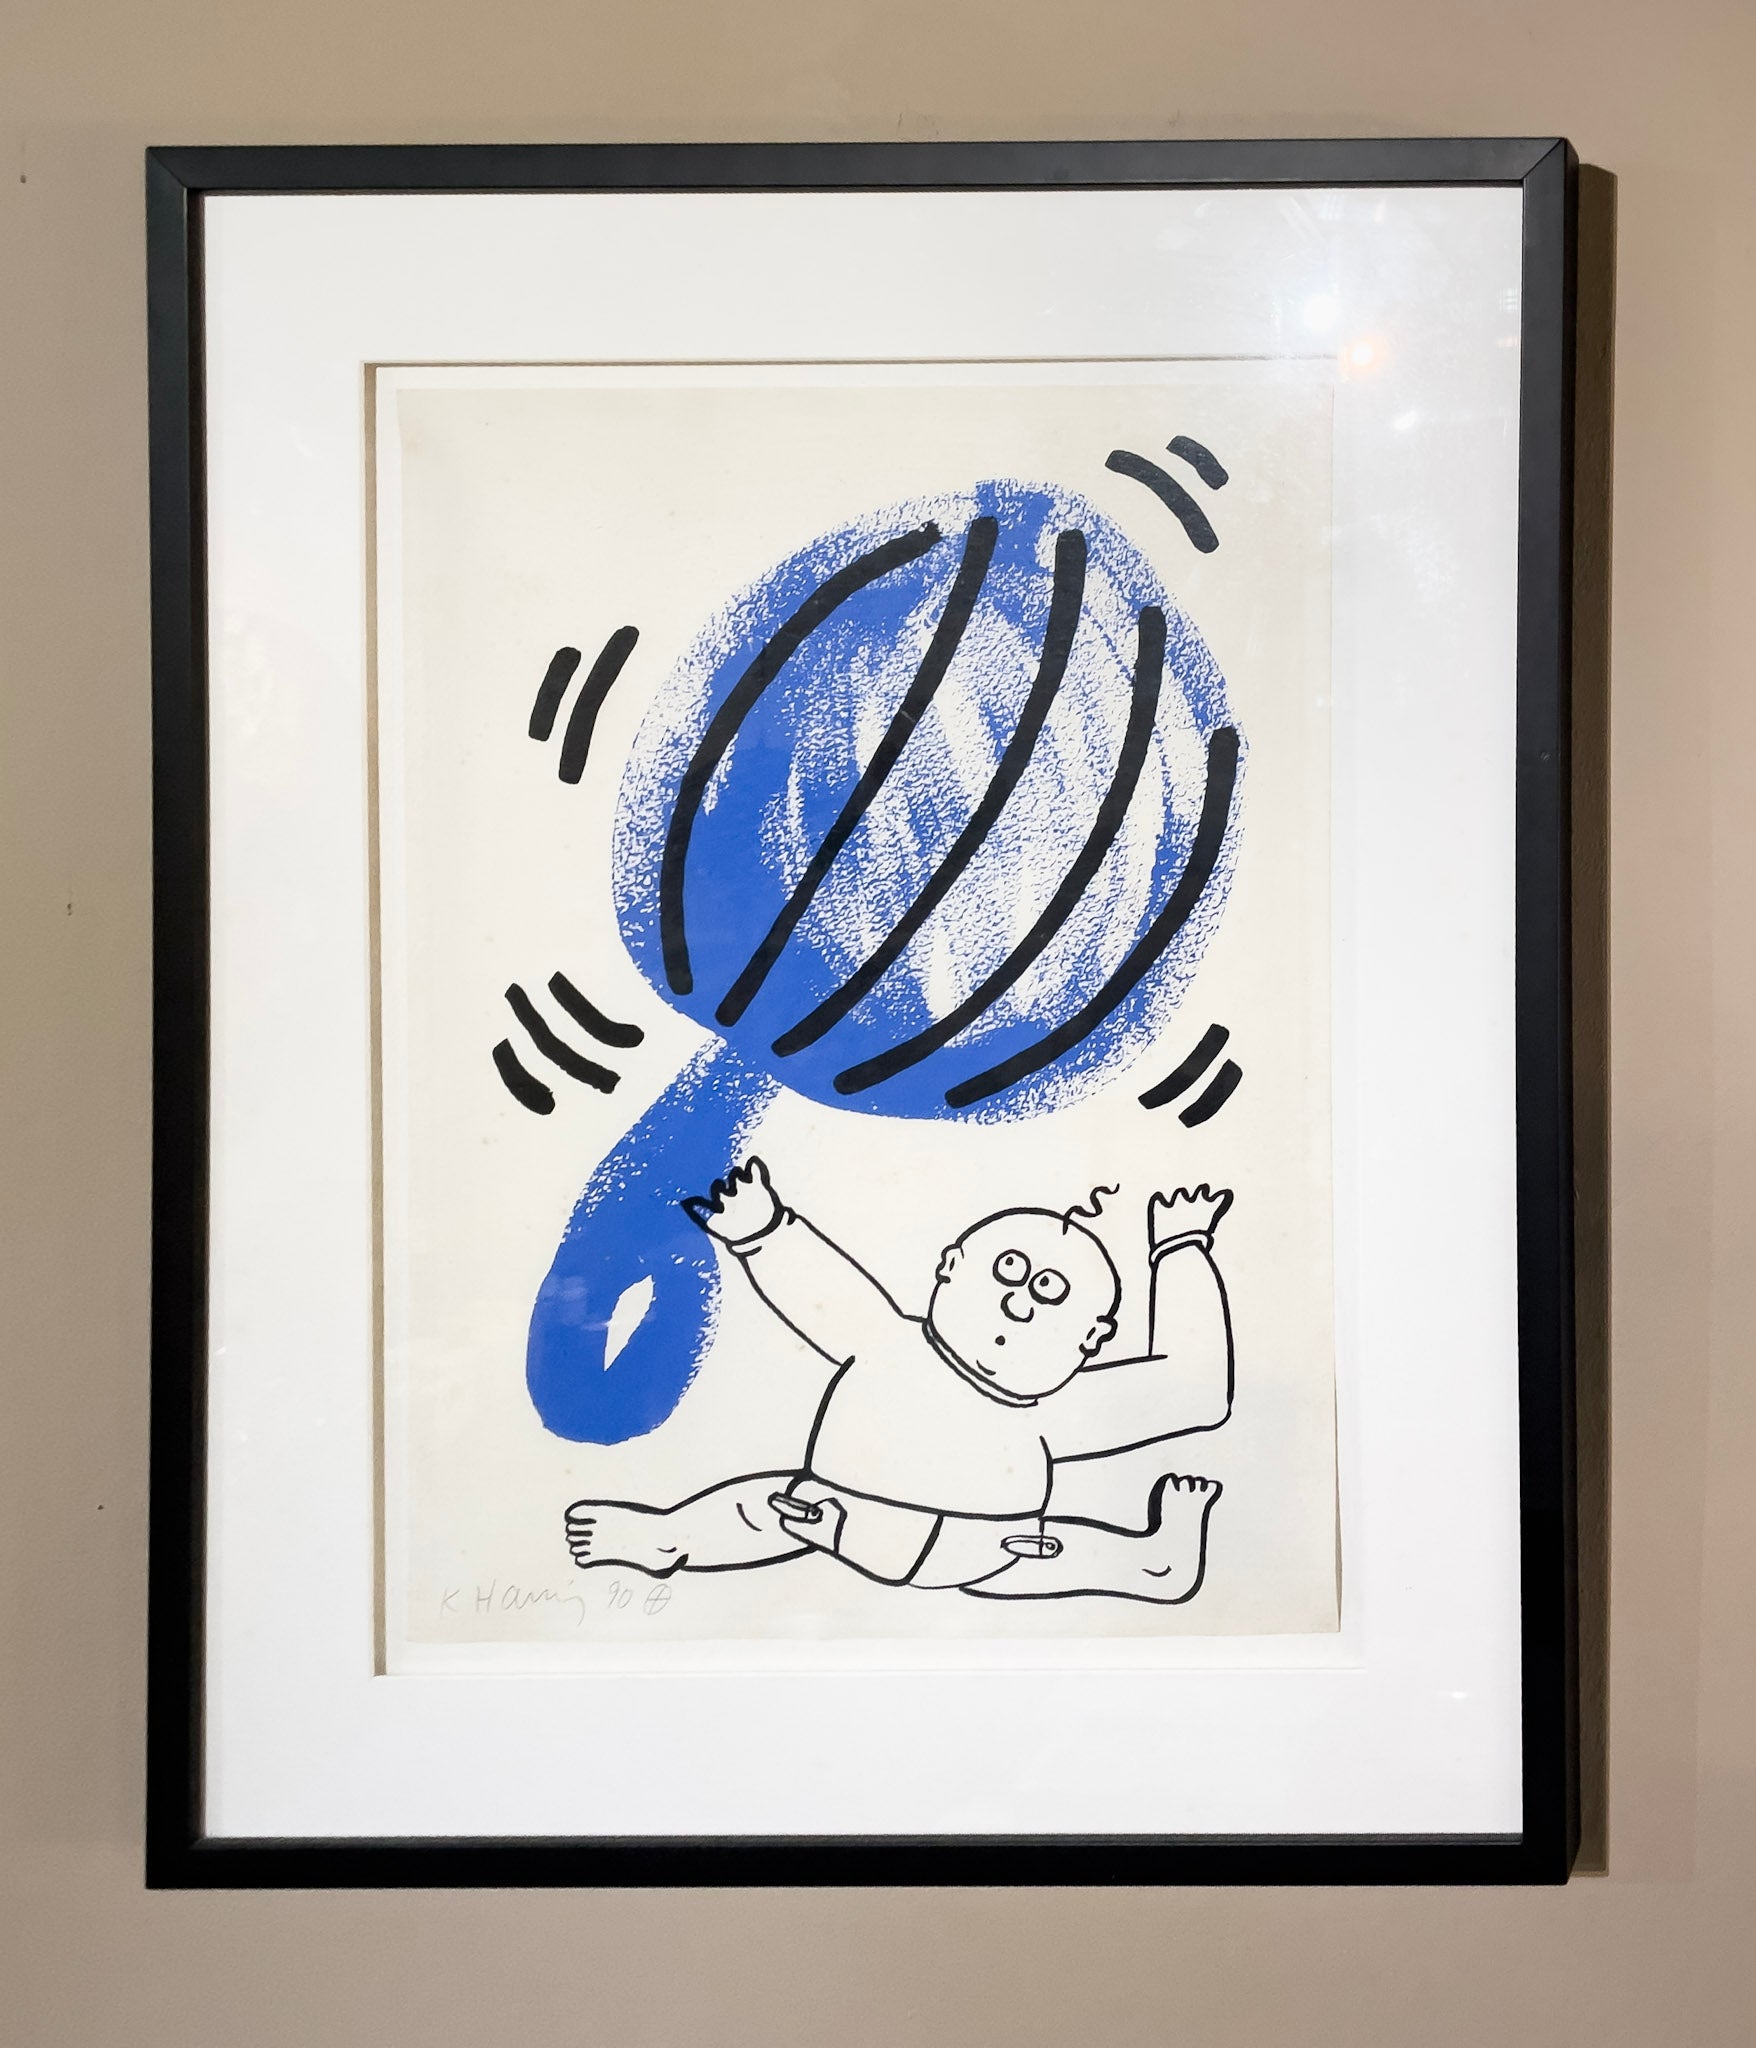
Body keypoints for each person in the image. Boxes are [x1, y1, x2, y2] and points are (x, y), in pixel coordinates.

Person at [564, 1159, 1233, 1603]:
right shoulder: (887, 1338)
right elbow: (817, 1283)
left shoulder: (1056, 1409)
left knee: (1084, 1554)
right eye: (1009, 1270)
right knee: (760, 1508)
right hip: (834, 1515)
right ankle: (668, 1539)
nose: (1019, 1301)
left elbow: (1193, 1393)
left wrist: (1182, 1250)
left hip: (992, 1547)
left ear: (1091, 1339)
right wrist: (763, 1229)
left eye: (1050, 1292)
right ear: (951, 1266)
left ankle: (1161, 1560)